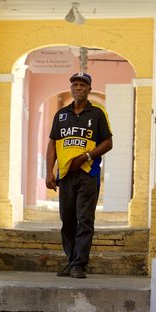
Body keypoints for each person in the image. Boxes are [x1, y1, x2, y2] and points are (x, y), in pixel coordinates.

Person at [45, 72, 113, 279]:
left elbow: (108, 143)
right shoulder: (62, 115)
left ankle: (79, 265)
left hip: (87, 174)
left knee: (84, 219)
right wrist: (49, 172)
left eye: (83, 85)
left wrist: (86, 156)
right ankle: (71, 260)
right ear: (71, 88)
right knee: (67, 220)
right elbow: (53, 143)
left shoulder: (97, 113)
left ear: (89, 89)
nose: (78, 88)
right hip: (65, 175)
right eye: (75, 84)